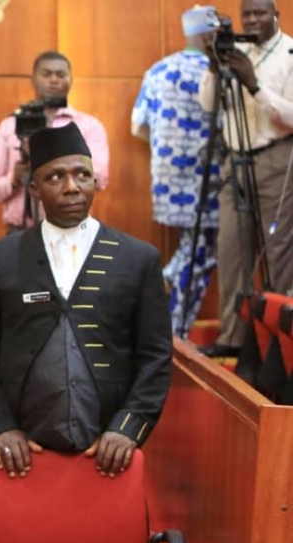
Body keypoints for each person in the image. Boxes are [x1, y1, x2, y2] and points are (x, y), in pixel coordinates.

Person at [0, 124, 172, 543]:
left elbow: (154, 359)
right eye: (56, 177)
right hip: (23, 466)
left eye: (81, 175)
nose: (72, 186)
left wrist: (128, 429)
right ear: (35, 187)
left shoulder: (137, 258)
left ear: (94, 180)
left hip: (105, 466)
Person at [197, 0, 293, 357]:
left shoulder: (289, 53)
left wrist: (254, 85)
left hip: (277, 160)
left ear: (276, 15)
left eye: (260, 13)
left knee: (277, 253)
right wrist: (213, 65)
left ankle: (279, 342)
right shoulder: (234, 51)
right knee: (232, 250)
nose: (252, 21)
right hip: (235, 161)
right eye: (247, 14)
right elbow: (208, 104)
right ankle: (233, 339)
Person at [132, 5, 224, 338]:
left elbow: (138, 127)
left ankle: (168, 281)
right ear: (209, 33)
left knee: (195, 247)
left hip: (168, 179)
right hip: (209, 177)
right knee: (202, 251)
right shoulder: (218, 71)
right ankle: (174, 328)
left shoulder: (157, 71)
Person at [0, 51, 110, 234]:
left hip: (73, 231)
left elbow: (101, 179)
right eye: (46, 74)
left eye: (61, 75)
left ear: (71, 80)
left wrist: (56, 165)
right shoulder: (10, 126)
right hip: (19, 233)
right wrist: (14, 180)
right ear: (33, 79)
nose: (54, 80)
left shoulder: (88, 126)